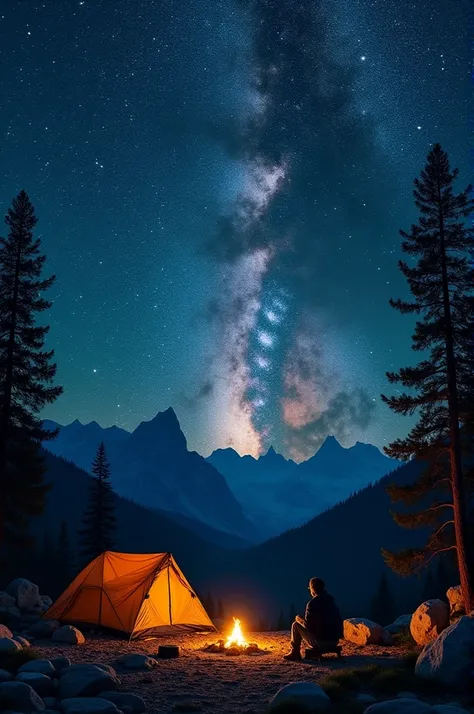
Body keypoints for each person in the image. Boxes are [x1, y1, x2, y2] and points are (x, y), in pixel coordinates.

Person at [283, 577, 343, 661]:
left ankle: (294, 653)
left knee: (295, 625)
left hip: (321, 642)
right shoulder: (331, 602)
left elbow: (308, 625)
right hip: (335, 641)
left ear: (312, 589)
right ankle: (295, 653)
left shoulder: (312, 603)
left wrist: (299, 619)